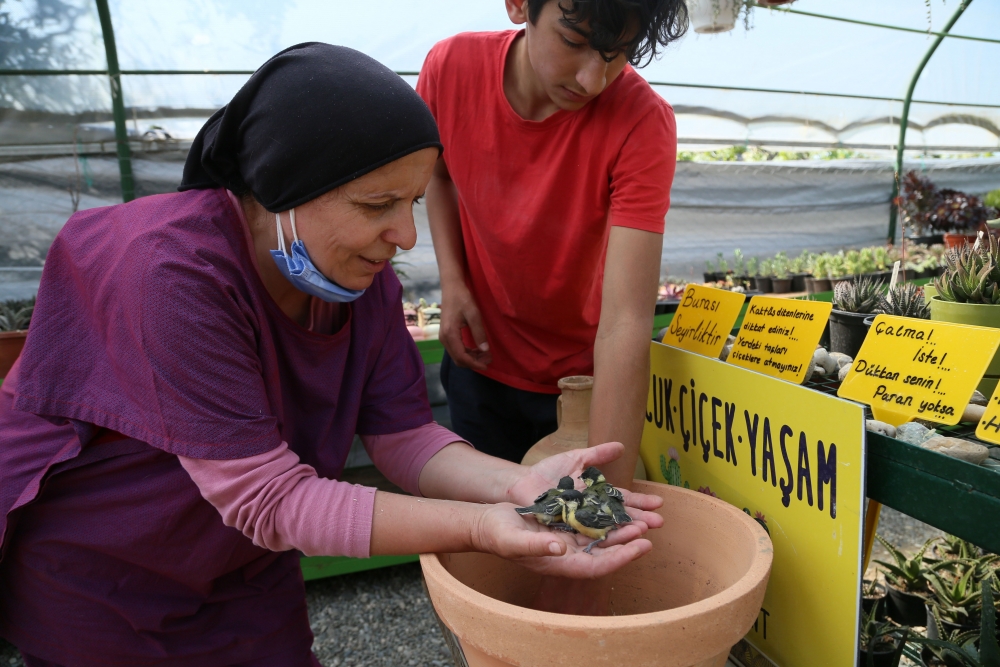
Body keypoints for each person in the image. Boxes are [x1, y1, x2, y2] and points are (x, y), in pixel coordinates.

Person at [0, 43, 664, 667]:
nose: (404, 235)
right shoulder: (170, 273)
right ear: (280, 187)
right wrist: (487, 527)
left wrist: (519, 487)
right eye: (378, 203)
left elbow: (406, 437)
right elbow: (267, 499)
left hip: (241, 566)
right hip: (107, 575)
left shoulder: (357, 282)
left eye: (412, 201)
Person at [418, 0, 686, 488]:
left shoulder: (642, 121)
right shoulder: (450, 69)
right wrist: (453, 283)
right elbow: (437, 173)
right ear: (520, 5)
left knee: (577, 528)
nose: (592, 80)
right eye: (574, 42)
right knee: (490, 537)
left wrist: (611, 497)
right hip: (481, 361)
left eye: (616, 53)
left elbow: (627, 321)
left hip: (583, 386)